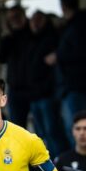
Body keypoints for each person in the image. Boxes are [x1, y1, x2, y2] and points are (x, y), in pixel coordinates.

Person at [53, 0, 86, 135]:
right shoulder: (75, 25)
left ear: (63, 6)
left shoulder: (78, 26)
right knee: (74, 127)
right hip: (72, 85)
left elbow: (82, 53)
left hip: (75, 85)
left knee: (77, 128)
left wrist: (58, 56)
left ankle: (79, 157)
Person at [28, 10, 66, 157]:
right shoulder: (30, 40)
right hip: (34, 94)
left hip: (48, 94)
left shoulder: (52, 38)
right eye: (33, 20)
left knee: (52, 131)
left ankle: (60, 163)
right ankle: (49, 164)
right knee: (41, 134)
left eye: (39, 20)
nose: (36, 23)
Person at [0, 5, 33, 127]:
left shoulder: (32, 33)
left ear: (24, 16)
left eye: (17, 16)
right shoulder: (9, 37)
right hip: (15, 88)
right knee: (18, 127)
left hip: (34, 87)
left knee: (43, 127)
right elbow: (1, 57)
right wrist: (7, 34)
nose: (14, 20)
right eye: (11, 18)